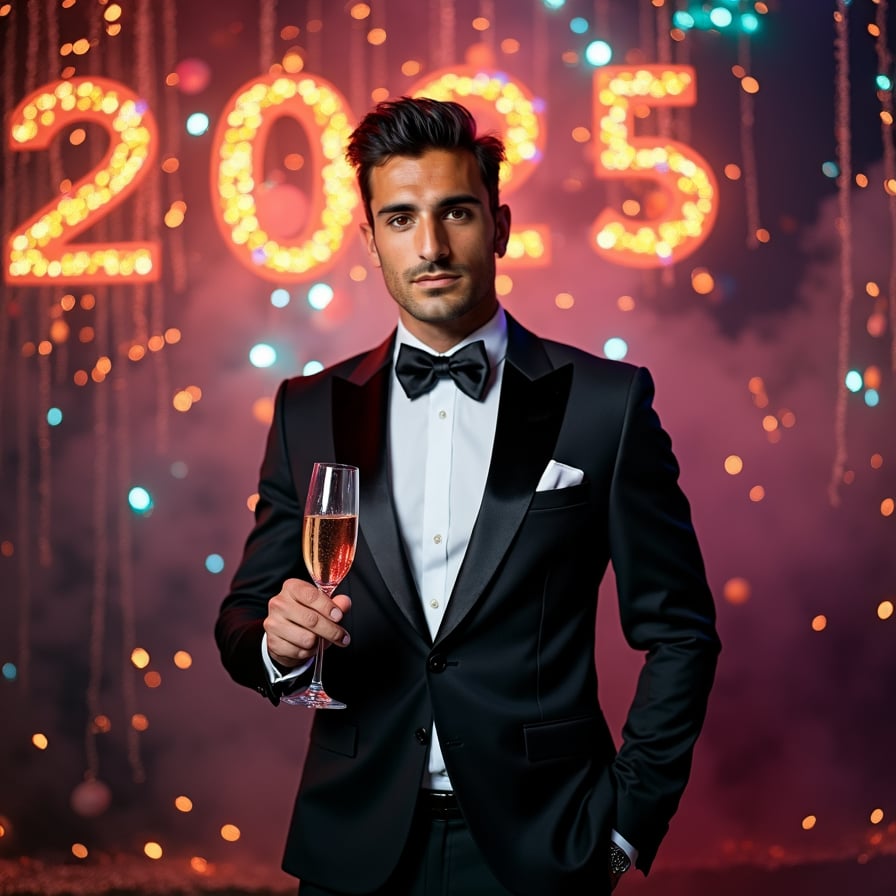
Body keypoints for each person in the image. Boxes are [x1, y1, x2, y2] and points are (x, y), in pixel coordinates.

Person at [215, 96, 721, 896]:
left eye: (456, 212)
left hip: (543, 848)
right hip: (352, 845)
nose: (431, 245)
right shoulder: (308, 409)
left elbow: (683, 633)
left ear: (501, 225)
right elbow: (243, 618)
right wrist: (278, 648)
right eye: (401, 219)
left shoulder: (606, 404)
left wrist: (623, 830)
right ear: (370, 241)